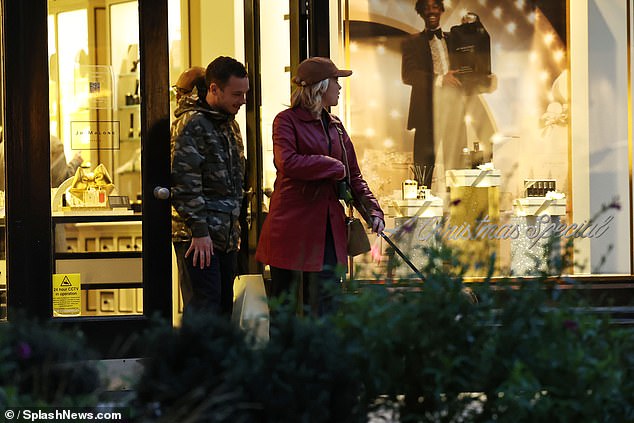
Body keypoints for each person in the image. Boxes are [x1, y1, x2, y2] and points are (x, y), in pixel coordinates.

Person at [255, 57, 385, 316]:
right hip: (290, 226)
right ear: (321, 86)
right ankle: (286, 357)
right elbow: (287, 162)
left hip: (326, 228)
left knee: (326, 305)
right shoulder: (286, 121)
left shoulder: (336, 126)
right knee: (285, 308)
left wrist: (373, 211)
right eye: (336, 80)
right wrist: (331, 166)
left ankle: (322, 356)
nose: (339, 87)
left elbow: (353, 175)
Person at [171, 56, 248, 318]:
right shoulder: (192, 123)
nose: (243, 100)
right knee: (205, 308)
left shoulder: (229, 124)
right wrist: (200, 231)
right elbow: (184, 182)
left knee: (224, 308)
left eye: (245, 93)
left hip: (225, 236)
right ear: (214, 89)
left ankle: (216, 360)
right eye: (237, 94)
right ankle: (196, 361)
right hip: (199, 238)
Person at [402, 0, 467, 189]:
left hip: (454, 110)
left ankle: (457, 212)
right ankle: (422, 213)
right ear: (420, 12)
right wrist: (440, 79)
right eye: (426, 8)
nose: (431, 11)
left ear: (441, 9)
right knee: (423, 169)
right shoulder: (412, 42)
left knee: (457, 167)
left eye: (435, 7)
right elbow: (408, 75)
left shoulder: (455, 38)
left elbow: (471, 61)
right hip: (426, 114)